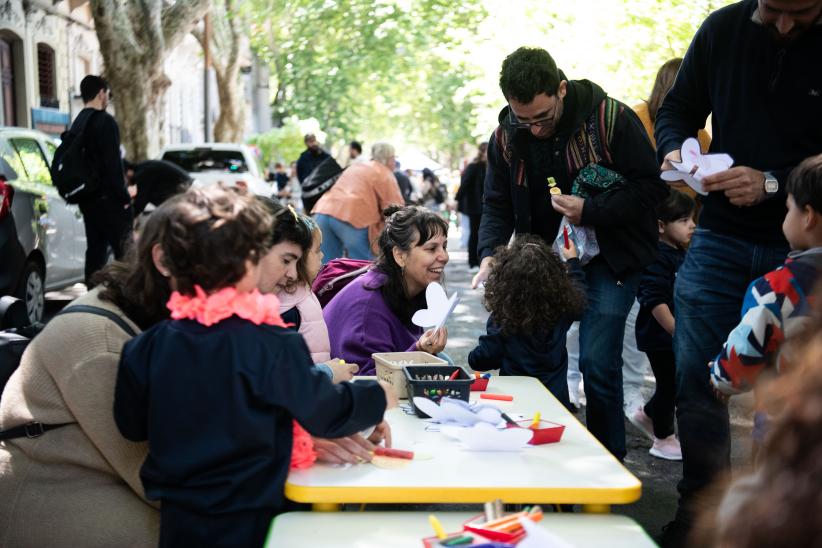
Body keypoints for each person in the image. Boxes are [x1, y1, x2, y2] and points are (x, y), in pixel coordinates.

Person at [112, 187, 395, 547]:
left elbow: (131, 425)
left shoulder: (144, 347)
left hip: (179, 520)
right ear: (249, 263)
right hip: (254, 517)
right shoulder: (271, 343)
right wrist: (376, 394)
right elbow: (322, 410)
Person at [653, 1, 822, 543]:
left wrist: (773, 183)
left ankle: (781, 520)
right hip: (719, 236)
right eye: (773, 9)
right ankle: (702, 517)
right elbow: (677, 108)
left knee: (797, 392)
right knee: (697, 378)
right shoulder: (723, 29)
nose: (784, 23)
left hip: (805, 244)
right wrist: (675, 151)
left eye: (801, 12)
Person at [473, 46, 668, 460]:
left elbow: (651, 189)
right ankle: (545, 456)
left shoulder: (611, 119)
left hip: (611, 258)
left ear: (561, 89)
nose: (534, 129)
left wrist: (590, 210)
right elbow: (496, 203)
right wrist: (490, 254)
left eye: (542, 118)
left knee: (597, 361)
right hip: (545, 263)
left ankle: (607, 461)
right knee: (532, 359)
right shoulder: (506, 136)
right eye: (523, 119)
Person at [0, 202, 175, 547]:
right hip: (50, 499)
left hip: (91, 478)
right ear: (163, 261)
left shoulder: (136, 312)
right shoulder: (101, 343)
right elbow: (153, 476)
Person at [710, 154, 822, 397]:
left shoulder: (776, 289)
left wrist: (721, 373)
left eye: (789, 208)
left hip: (793, 413)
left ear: (808, 216)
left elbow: (739, 364)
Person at [324, 205, 449, 375]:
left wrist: (422, 350)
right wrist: (420, 350)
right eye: (432, 249)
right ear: (399, 255)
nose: (444, 257)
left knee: (445, 362)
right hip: (345, 387)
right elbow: (368, 379)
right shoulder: (369, 306)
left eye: (444, 246)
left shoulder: (409, 287)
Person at [468, 235, 585, 409]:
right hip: (555, 401)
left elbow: (483, 359)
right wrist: (573, 262)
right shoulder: (562, 311)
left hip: (517, 403)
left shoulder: (503, 318)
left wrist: (474, 356)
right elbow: (580, 296)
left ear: (504, 281)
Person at [631, 189, 696, 461]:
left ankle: (647, 415)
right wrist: (676, 332)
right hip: (661, 335)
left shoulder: (677, 252)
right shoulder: (656, 257)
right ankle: (663, 438)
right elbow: (655, 300)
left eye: (692, 219)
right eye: (683, 220)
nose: (692, 225)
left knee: (670, 384)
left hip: (672, 334)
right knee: (671, 386)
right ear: (660, 225)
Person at [73, 75, 133, 287]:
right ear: (101, 93)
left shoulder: (78, 122)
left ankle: (92, 294)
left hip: (88, 200)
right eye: (107, 94)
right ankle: (129, 296)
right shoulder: (105, 121)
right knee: (126, 253)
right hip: (109, 200)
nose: (108, 98)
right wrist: (125, 198)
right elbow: (113, 166)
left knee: (95, 251)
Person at [312, 142, 404, 262]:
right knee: (364, 266)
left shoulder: (356, 166)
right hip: (351, 219)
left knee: (326, 266)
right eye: (394, 158)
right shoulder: (384, 173)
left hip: (323, 212)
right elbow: (397, 210)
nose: (395, 163)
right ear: (389, 159)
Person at [455, 142, 488, 269]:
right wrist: (457, 200)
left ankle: (480, 261)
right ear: (482, 152)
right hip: (474, 206)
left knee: (482, 233)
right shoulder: (474, 166)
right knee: (475, 233)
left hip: (485, 206)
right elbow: (464, 184)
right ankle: (473, 261)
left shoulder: (491, 166)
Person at [125, 159, 193, 215]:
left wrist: (125, 217)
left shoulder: (142, 173)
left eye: (123, 178)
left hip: (184, 188)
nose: (125, 182)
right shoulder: (143, 167)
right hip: (185, 186)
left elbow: (141, 201)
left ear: (128, 171)